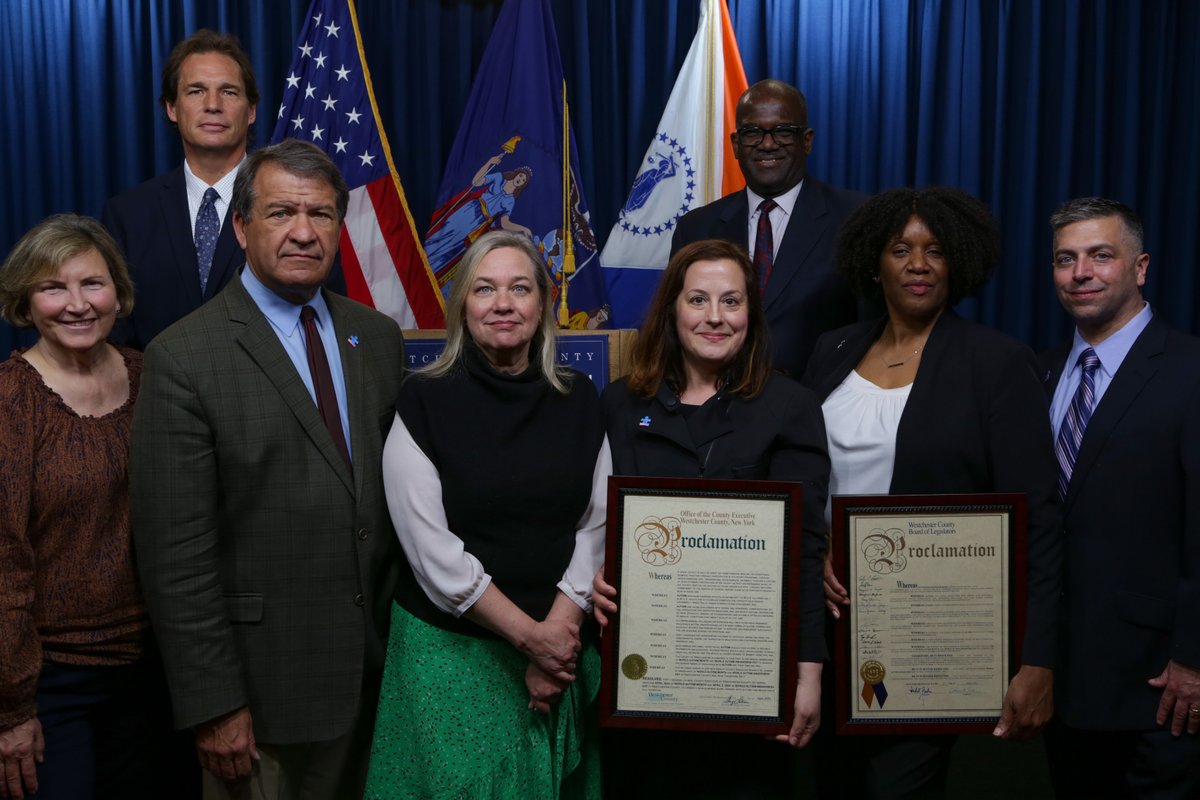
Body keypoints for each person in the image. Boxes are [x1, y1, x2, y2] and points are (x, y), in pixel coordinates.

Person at [131, 139, 405, 799]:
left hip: (377, 679)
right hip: (260, 696)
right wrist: (214, 704)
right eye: (281, 213)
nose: (304, 233)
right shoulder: (184, 356)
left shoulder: (376, 338)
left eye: (322, 215)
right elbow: (175, 557)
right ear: (241, 226)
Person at [803, 187, 1062, 798]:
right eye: (901, 249)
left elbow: (1041, 520)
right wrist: (813, 551)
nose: (918, 264)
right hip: (831, 631)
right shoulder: (831, 350)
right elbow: (804, 478)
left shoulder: (996, 362)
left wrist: (1039, 659)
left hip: (930, 636)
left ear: (958, 263)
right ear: (875, 262)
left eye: (935, 250)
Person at [364, 230, 609, 799]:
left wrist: (557, 636)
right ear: (462, 307)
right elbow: (432, 554)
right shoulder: (422, 400)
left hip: (561, 643)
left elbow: (595, 525)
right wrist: (534, 641)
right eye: (485, 289)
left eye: (520, 288)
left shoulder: (582, 397)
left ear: (543, 304)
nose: (504, 303)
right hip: (448, 656)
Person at [594, 238, 831, 799]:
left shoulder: (790, 408)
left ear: (751, 312)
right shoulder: (620, 404)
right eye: (698, 299)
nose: (715, 317)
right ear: (672, 309)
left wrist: (810, 675)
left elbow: (804, 550)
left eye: (732, 301)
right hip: (645, 670)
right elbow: (591, 525)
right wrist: (592, 580)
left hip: (747, 675)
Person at [1039, 197, 1200, 798]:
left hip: (1159, 683)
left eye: (1100, 256)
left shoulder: (1189, 370)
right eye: (1065, 259)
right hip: (1060, 678)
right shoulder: (1041, 372)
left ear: (1140, 267)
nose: (1080, 272)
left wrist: (1195, 661)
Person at [0, 215, 162, 799]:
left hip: (154, 672)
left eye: (92, 284)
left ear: (118, 291)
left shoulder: (154, 380)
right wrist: (12, 708)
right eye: (52, 287)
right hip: (49, 684)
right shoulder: (10, 401)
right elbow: (3, 564)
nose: (76, 305)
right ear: (24, 302)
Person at [670, 79, 866, 378]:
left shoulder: (857, 218)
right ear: (736, 145)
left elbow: (875, 328)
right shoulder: (696, 228)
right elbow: (675, 327)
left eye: (783, 131)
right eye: (752, 133)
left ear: (807, 141)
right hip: (716, 408)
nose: (767, 143)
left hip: (821, 407)